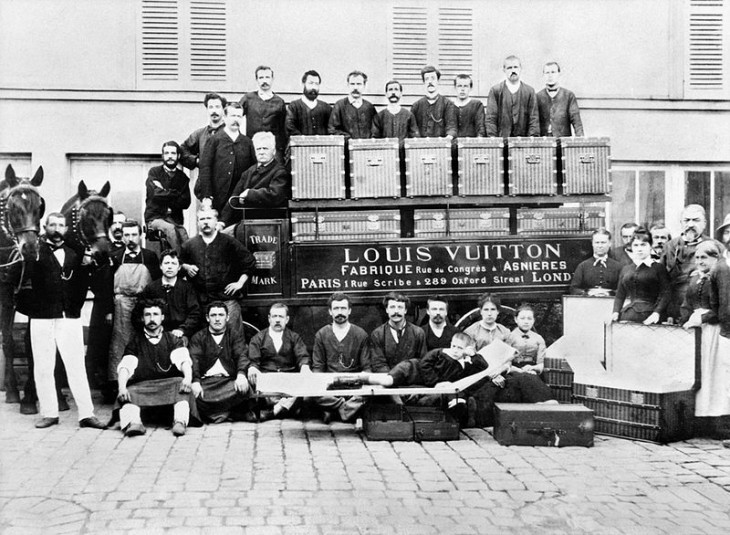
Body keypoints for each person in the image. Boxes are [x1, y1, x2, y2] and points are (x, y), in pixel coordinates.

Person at [26, 213, 104, 429]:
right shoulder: (33, 252)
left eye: (61, 225)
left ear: (67, 228)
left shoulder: (75, 253)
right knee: (43, 366)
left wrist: (75, 306)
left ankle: (86, 414)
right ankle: (49, 413)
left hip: (69, 317)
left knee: (76, 365)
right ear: (45, 227)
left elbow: (81, 285)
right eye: (52, 225)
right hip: (41, 317)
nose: (57, 229)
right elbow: (24, 284)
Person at [362, 332, 487, 426]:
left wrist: (473, 355)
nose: (455, 350)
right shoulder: (440, 353)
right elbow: (424, 363)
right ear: (450, 344)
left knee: (449, 393)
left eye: (460, 348)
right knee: (387, 381)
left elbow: (483, 367)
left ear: (466, 349)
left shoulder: (464, 364)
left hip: (422, 381)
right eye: (453, 346)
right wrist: (436, 382)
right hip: (412, 369)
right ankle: (363, 377)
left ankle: (457, 407)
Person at [115, 299, 196, 437]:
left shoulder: (172, 339)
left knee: (181, 386)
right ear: (142, 318)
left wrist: (188, 378)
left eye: (155, 314)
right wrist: (121, 386)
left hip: (169, 384)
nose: (152, 319)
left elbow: (183, 360)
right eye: (148, 315)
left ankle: (179, 422)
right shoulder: (135, 341)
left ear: (162, 317)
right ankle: (134, 423)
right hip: (143, 386)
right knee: (127, 392)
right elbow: (126, 366)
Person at [680, 241, 730, 431]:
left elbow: (721, 309)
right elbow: (687, 303)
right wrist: (685, 318)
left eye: (705, 257)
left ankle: (717, 420)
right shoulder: (694, 279)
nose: (700, 261)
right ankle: (699, 419)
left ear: (715, 258)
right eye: (698, 257)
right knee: (699, 373)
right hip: (697, 332)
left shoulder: (719, 278)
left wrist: (703, 318)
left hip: (713, 331)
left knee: (714, 374)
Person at [180, 208, 257, 329]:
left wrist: (240, 283)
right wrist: (186, 266)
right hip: (201, 304)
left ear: (216, 221)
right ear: (198, 222)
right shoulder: (189, 245)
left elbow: (250, 261)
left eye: (209, 218)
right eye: (202, 219)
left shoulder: (229, 242)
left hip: (227, 302)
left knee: (232, 338)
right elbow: (178, 263)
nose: (205, 222)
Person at [108, 220, 161, 385]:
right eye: (126, 235)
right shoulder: (115, 257)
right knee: (121, 342)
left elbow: (156, 283)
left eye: (133, 235)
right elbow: (107, 285)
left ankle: (145, 380)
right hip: (121, 305)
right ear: (122, 237)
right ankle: (120, 382)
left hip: (144, 304)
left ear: (140, 235)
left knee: (145, 340)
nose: (130, 239)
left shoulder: (150, 256)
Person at [311, 292, 370, 422]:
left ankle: (333, 411)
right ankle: (346, 409)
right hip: (330, 387)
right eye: (336, 309)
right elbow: (318, 367)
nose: (340, 312)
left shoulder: (360, 334)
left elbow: (367, 368)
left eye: (343, 308)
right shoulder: (322, 334)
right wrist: (320, 383)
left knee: (370, 393)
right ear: (330, 312)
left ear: (349, 311)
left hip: (354, 387)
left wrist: (360, 381)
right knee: (312, 391)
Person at [189, 302, 251, 423]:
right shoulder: (198, 337)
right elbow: (194, 360)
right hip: (206, 383)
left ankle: (215, 414)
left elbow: (242, 355)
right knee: (192, 394)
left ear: (227, 317)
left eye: (221, 315)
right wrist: (195, 381)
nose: (217, 319)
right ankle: (226, 413)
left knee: (246, 388)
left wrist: (241, 374)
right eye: (213, 315)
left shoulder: (234, 335)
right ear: (207, 318)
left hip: (228, 382)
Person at [246, 303, 310, 420]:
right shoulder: (258, 338)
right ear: (269, 318)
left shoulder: (294, 337)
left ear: (287, 319)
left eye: (281, 317)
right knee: (253, 382)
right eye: (274, 316)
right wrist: (253, 367)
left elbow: (302, 356)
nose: (277, 320)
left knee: (303, 384)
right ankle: (286, 408)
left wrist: (304, 367)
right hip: (268, 380)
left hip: (288, 380)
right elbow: (253, 360)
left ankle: (274, 411)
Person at [86, 210, 126, 396]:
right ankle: (106, 387)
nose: (118, 227)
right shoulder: (102, 250)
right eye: (115, 223)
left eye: (122, 223)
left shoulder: (133, 252)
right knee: (103, 344)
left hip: (126, 307)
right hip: (103, 306)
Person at [220, 131, 289, 228]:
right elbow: (234, 197)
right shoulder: (248, 172)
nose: (261, 152)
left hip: (270, 225)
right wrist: (222, 221)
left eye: (265, 148)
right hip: (247, 223)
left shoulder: (279, 172)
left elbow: (275, 195)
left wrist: (249, 194)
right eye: (258, 149)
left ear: (273, 151)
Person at [197, 102, 256, 213]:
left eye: (239, 116)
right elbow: (205, 168)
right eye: (233, 116)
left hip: (240, 201)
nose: (236, 119)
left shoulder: (247, 143)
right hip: (218, 199)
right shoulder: (214, 140)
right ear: (224, 118)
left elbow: (253, 170)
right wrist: (207, 196)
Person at [664, 205, 717, 321]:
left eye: (696, 220)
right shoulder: (670, 246)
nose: (691, 224)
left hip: (702, 311)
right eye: (687, 220)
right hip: (673, 309)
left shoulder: (715, 246)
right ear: (681, 223)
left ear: (704, 223)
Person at [140, 250, 202, 344]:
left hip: (180, 334)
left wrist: (182, 329)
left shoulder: (187, 288)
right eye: (166, 263)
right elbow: (139, 313)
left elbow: (195, 313)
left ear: (179, 267)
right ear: (161, 266)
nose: (169, 266)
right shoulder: (151, 288)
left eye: (173, 263)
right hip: (155, 333)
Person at [612, 227, 671, 325]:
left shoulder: (658, 268)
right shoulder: (626, 269)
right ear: (632, 247)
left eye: (643, 245)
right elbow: (620, 295)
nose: (639, 249)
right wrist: (615, 312)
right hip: (628, 315)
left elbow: (666, 293)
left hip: (651, 316)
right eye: (636, 245)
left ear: (650, 246)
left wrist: (657, 313)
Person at [144, 140, 191, 251]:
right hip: (155, 218)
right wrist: (175, 193)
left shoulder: (183, 178)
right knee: (169, 229)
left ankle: (189, 262)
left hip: (174, 219)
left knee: (183, 234)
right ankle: (179, 262)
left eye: (173, 153)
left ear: (178, 155)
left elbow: (185, 202)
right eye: (167, 153)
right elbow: (155, 194)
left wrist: (164, 192)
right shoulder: (154, 172)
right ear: (163, 155)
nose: (170, 156)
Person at [239, 66, 288, 162]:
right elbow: (235, 117)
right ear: (256, 80)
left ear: (272, 79)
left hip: (273, 149)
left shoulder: (279, 102)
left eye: (267, 77)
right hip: (252, 147)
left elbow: (284, 129)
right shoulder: (248, 99)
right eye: (261, 78)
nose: (264, 81)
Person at [369, 293, 427, 373]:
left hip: (412, 381)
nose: (396, 311)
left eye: (400, 307)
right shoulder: (378, 334)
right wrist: (393, 378)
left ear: (405, 310)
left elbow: (422, 361)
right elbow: (378, 364)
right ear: (386, 309)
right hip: (387, 380)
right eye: (392, 307)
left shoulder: (418, 333)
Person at [485, 56, 539, 138]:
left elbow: (533, 119)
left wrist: (530, 141)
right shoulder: (495, 91)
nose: (513, 70)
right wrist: (494, 141)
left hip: (522, 143)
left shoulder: (529, 91)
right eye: (509, 68)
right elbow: (491, 119)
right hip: (502, 142)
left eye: (515, 67)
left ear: (520, 68)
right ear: (504, 70)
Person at [180, 92, 227, 171]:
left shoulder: (231, 133)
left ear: (223, 109)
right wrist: (196, 160)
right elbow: (182, 150)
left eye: (217, 107)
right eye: (211, 107)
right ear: (207, 109)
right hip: (205, 180)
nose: (214, 111)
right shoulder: (200, 134)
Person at [536, 62, 584, 137]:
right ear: (543, 75)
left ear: (559, 74)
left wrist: (580, 140)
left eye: (553, 72)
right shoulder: (537, 97)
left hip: (563, 142)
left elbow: (576, 122)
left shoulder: (568, 96)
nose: (550, 75)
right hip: (544, 144)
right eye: (547, 73)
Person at [569, 228, 623, 296]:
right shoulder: (583, 266)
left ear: (609, 244)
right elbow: (574, 289)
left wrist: (608, 293)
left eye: (603, 242)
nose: (600, 246)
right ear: (592, 244)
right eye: (597, 242)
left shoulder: (618, 267)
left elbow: (623, 289)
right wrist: (588, 293)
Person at [410, 66, 458, 138]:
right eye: (427, 79)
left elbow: (451, 127)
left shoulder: (448, 104)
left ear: (438, 81)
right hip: (421, 146)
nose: (430, 82)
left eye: (433, 78)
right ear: (424, 82)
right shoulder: (416, 106)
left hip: (441, 146)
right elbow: (412, 130)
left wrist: (448, 138)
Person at [328, 71, 376, 139]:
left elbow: (375, 130)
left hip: (365, 148)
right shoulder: (339, 106)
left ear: (364, 85)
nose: (355, 87)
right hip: (346, 148)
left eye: (359, 84)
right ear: (348, 85)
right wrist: (348, 139)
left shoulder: (369, 107)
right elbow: (332, 130)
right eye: (352, 84)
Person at [286, 70, 332, 136]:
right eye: (310, 83)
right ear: (303, 84)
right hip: (300, 145)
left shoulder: (326, 108)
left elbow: (332, 129)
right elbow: (290, 128)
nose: (313, 87)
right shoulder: (294, 107)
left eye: (316, 84)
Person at [506, 305, 546, 376]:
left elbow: (541, 364)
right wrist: (519, 371)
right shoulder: (509, 337)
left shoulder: (539, 339)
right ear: (516, 319)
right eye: (522, 318)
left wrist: (533, 368)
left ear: (533, 320)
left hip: (533, 371)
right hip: (513, 371)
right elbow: (505, 363)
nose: (526, 322)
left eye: (529, 319)